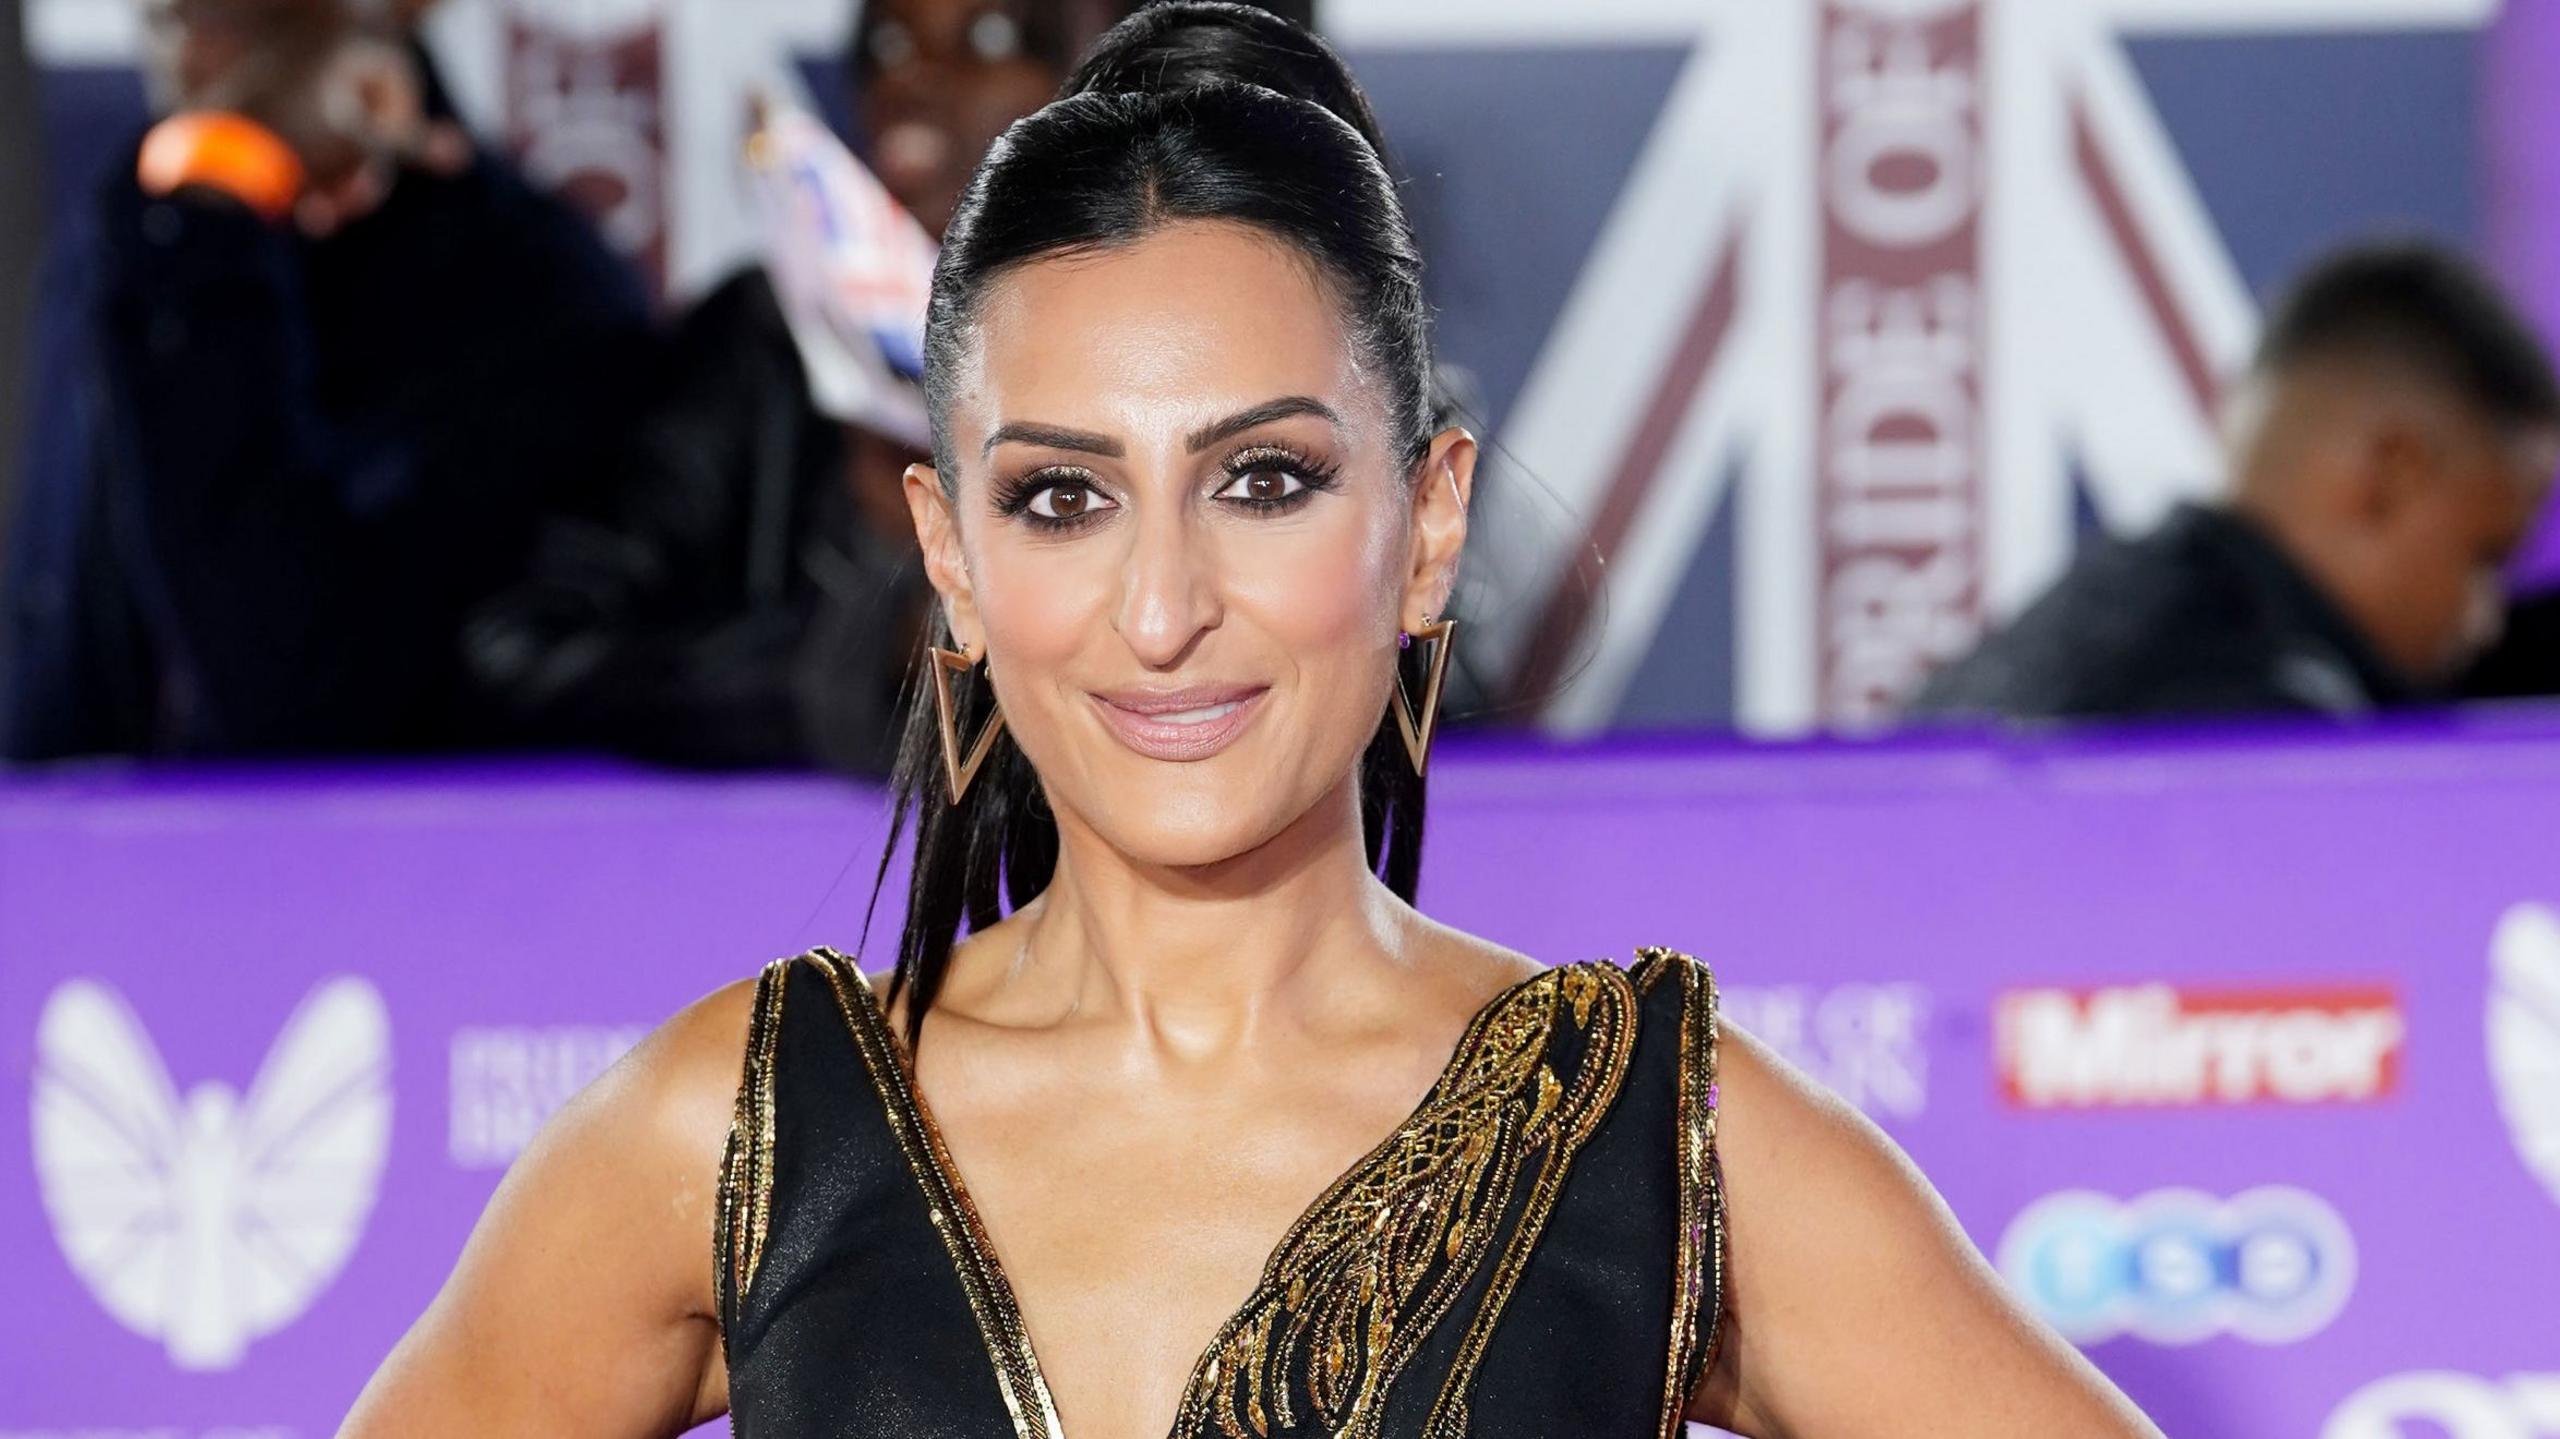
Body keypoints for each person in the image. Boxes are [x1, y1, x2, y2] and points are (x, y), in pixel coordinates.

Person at [342, 8, 2160, 1435]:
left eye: (1266, 479)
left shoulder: (1650, 1139)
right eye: (1062, 497)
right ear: (952, 562)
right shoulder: (722, 1136)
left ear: (1427, 526)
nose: (1160, 607)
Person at [462, 0, 1319, 773]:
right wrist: (861, 653)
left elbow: (1419, 638)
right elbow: (526, 647)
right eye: (887, 41)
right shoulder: (765, 339)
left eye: (993, 37)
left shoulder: (1246, 331)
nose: (913, 78)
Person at [0, 0, 653, 761]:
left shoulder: (537, 287)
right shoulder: (131, 231)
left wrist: (216, 222)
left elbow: (298, 694)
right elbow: (58, 671)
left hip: (355, 864)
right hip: (77, 868)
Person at [1908, 240, 2560, 726]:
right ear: (2392, 475)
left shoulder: (2118, 632)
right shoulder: (2242, 718)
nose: (2486, 620)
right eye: (2485, 559)